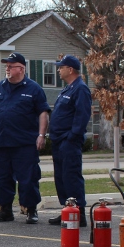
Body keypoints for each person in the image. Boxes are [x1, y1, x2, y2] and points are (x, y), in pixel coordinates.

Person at [0, 52, 49, 224]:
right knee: (2, 177)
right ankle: (5, 209)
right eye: (6, 66)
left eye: (11, 66)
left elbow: (43, 113)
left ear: (21, 68)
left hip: (25, 143)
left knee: (28, 178)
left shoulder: (33, 89)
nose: (7, 69)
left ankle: (31, 209)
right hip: (2, 141)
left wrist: (41, 134)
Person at [47, 55, 91, 227]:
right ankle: (67, 210)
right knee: (61, 177)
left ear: (70, 69)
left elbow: (82, 115)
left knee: (71, 176)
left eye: (61, 67)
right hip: (59, 140)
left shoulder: (80, 89)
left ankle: (78, 212)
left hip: (69, 140)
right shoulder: (67, 89)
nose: (58, 70)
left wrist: (73, 136)